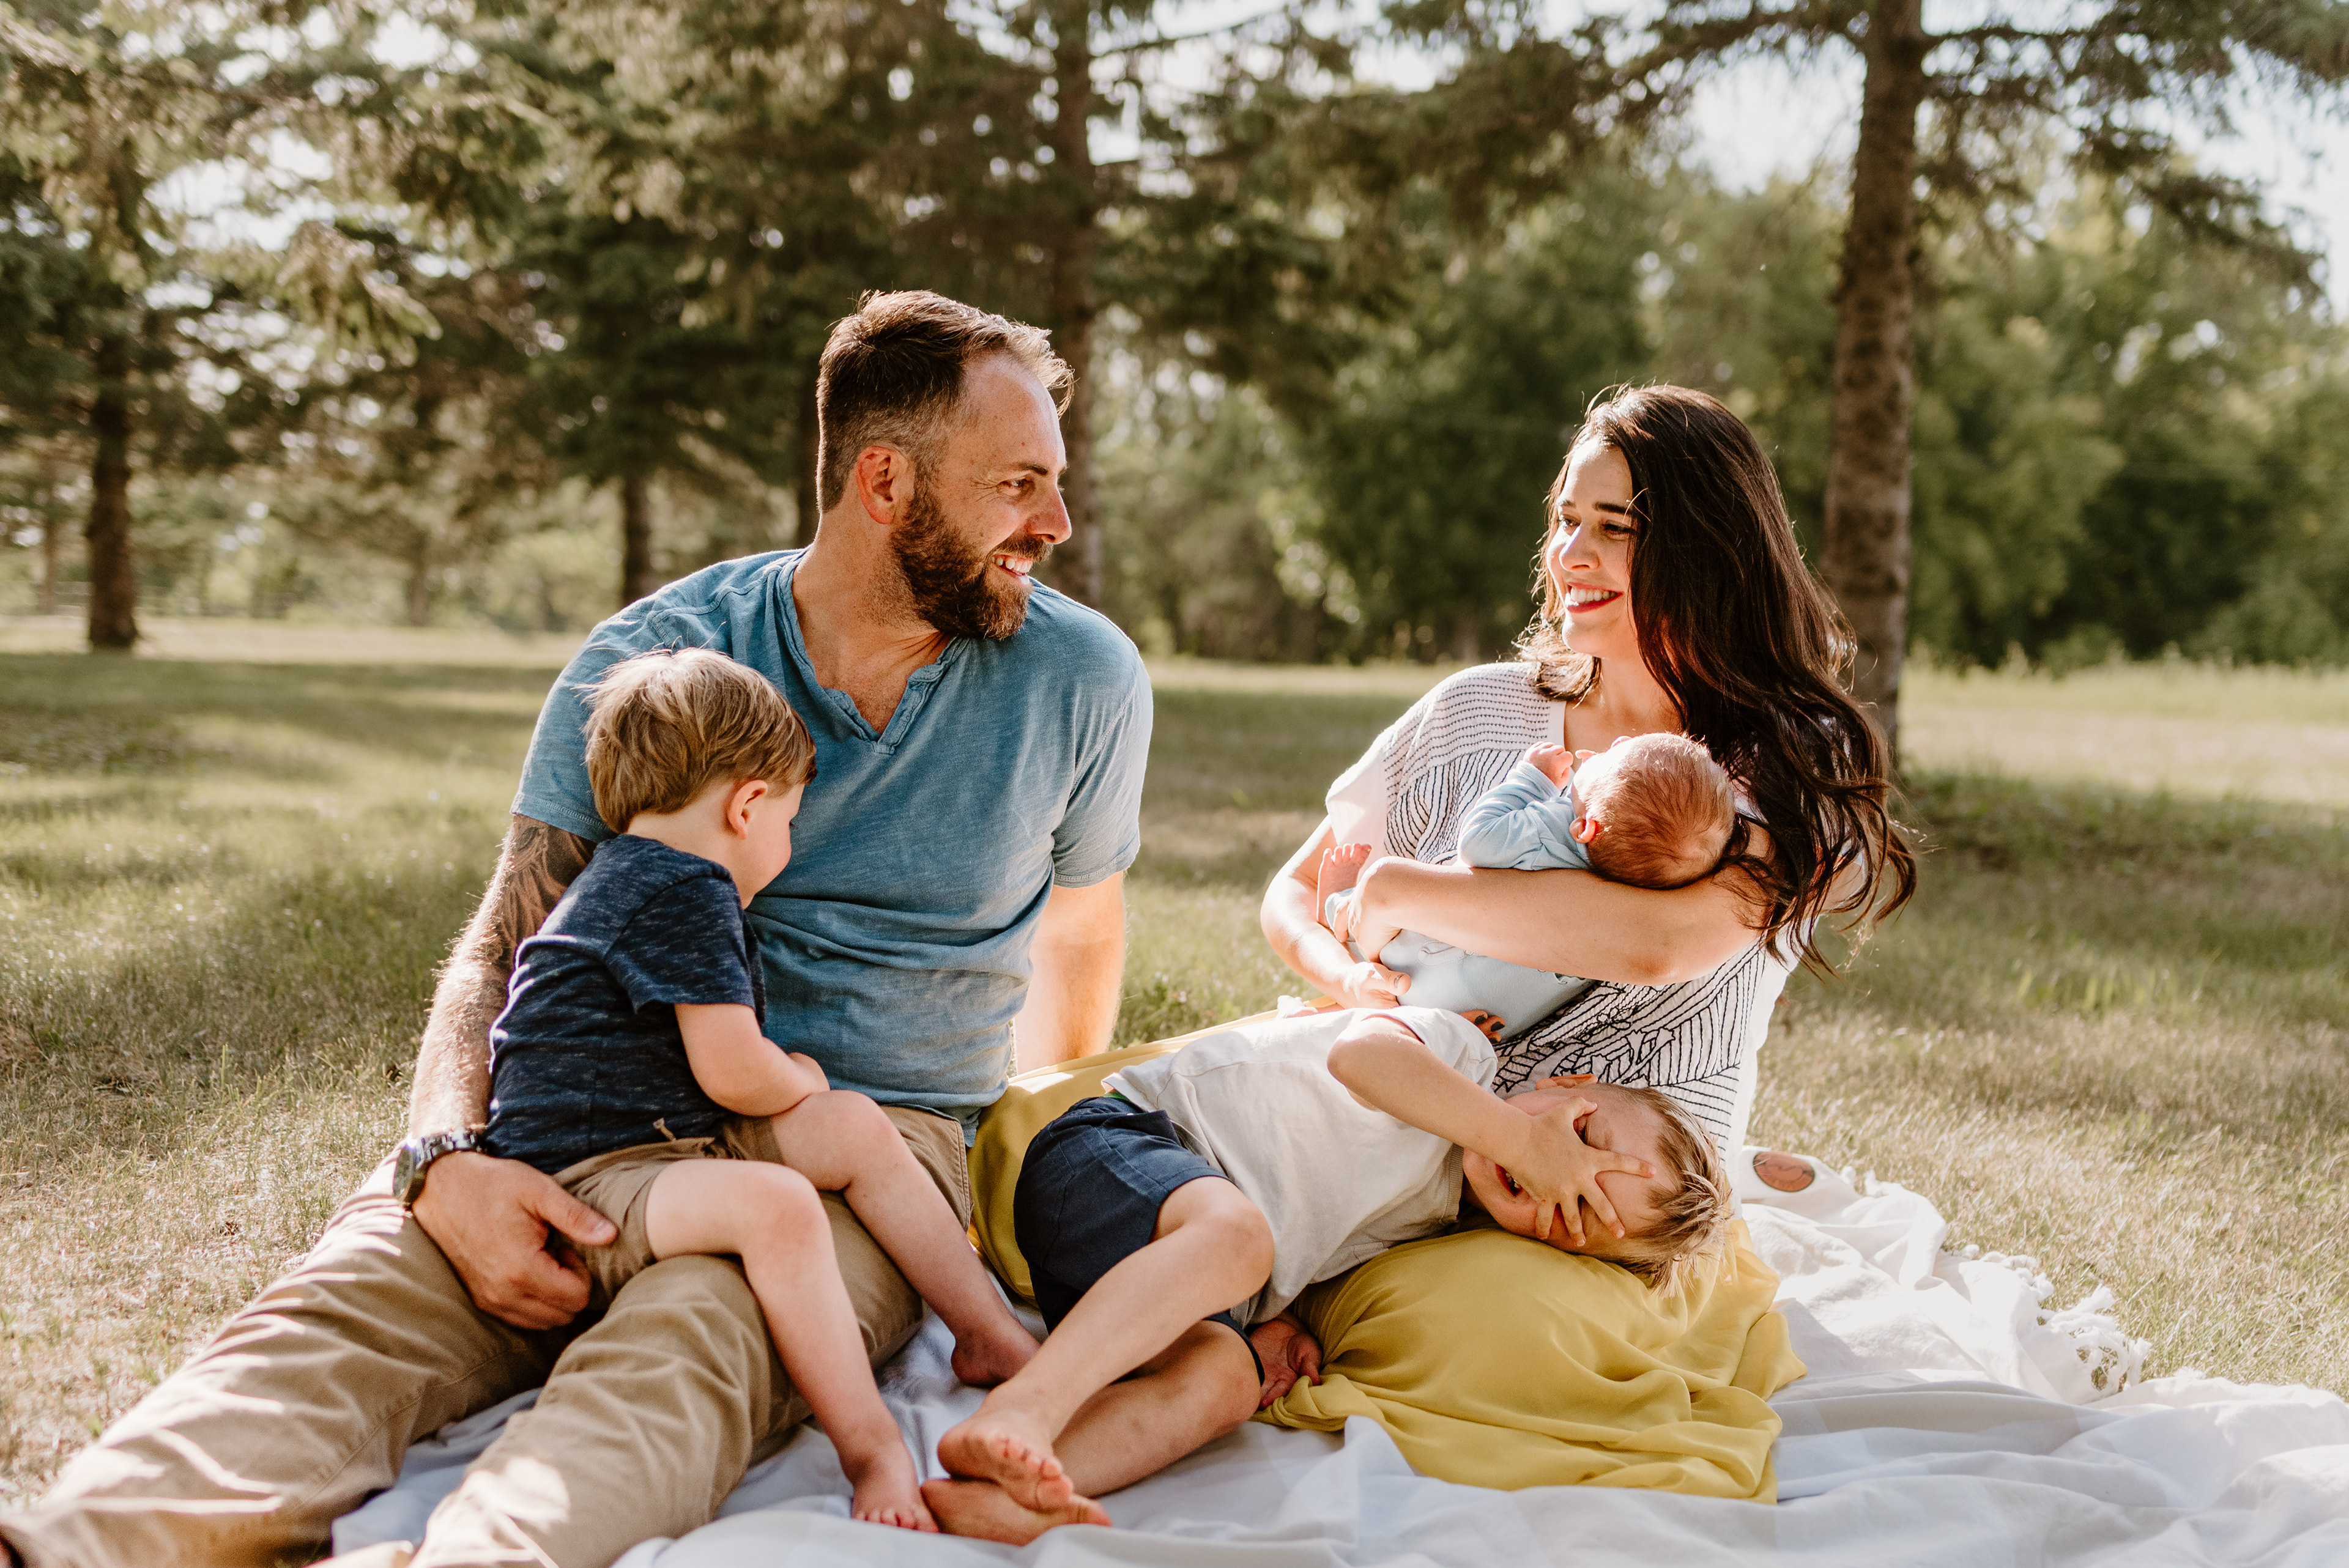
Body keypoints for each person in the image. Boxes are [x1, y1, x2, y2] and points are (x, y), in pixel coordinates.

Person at [0, 289, 1151, 1568]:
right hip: (590, 1120)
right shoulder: (660, 659)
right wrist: (446, 1159)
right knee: (359, 1298)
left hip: (862, 1142)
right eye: (1017, 484)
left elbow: (1082, 934)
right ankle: (65, 1544)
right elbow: (504, 944)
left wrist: (1010, 1161)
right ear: (885, 481)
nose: (1051, 522)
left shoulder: (1083, 681)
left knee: (700, 1333)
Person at [469, 645, 1039, 1533]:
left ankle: (986, 1330)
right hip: (592, 1176)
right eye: (789, 822)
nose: (785, 844)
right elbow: (734, 1070)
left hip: (661, 1138)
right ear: (747, 804)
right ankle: (872, 1447)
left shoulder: (631, 874)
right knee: (778, 1207)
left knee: (850, 1130)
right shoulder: (686, 887)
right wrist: (799, 1075)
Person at [1263, 383, 1915, 1153]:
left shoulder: (1795, 756)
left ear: (1707, 550)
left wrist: (1395, 892)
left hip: (1610, 1186)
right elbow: (1298, 890)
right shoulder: (1476, 707)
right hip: (1379, 1121)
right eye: (1567, 521)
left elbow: (1660, 944)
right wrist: (1344, 979)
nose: (1572, 554)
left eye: (1615, 527)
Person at [922, 1005, 1733, 1542]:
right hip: (1116, 1152)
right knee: (1240, 1240)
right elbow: (1364, 1057)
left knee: (1225, 1381)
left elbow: (1322, 1240)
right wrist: (1522, 1144)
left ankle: (1003, 1496)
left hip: (1152, 1287)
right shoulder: (1459, 1055)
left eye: (1575, 1209)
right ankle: (1021, 1414)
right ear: (1568, 1084)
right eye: (1580, 1136)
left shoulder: (1436, 1224)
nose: (1560, 1173)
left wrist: (1283, 1325)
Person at [1316, 731, 1736, 1040]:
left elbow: (1477, 843)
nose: (1617, 740)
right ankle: (1443, 1034)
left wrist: (1530, 780)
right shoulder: (1637, 893)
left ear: (1585, 828)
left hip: (1417, 955)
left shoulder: (1548, 831)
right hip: (1486, 1011)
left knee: (1370, 919)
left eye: (1612, 753)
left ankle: (1337, 905)